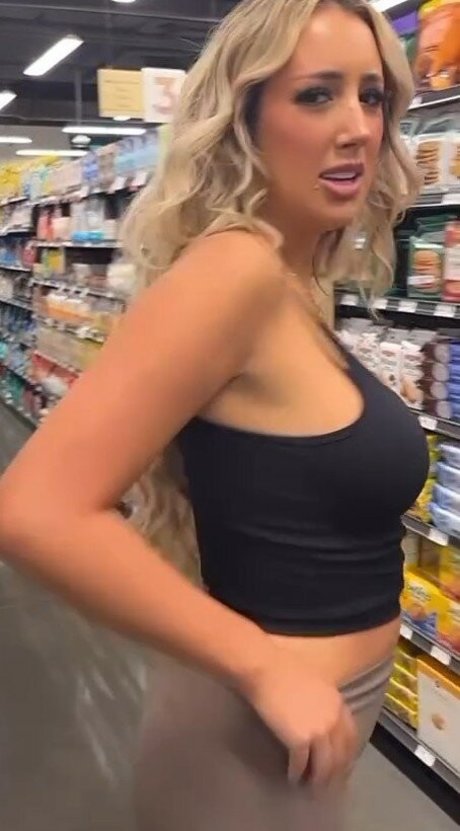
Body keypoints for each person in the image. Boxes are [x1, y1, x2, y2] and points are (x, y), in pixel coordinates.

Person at [0, 0, 428, 829]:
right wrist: (263, 667)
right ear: (245, 117)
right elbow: (34, 510)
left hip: (312, 728)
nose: (357, 128)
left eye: (372, 96)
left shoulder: (296, 276)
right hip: (248, 745)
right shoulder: (234, 272)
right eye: (317, 95)